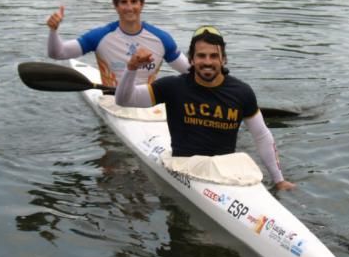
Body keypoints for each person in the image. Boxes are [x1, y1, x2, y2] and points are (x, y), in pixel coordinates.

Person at [115, 25, 295, 191]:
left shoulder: (242, 92)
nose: (207, 61)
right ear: (191, 59)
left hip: (226, 173)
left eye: (213, 56)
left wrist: (279, 180)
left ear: (223, 59)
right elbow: (125, 100)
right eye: (201, 56)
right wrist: (132, 68)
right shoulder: (172, 87)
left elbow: (262, 136)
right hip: (184, 169)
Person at [46, 0, 190, 86]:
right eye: (123, 2)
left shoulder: (162, 39)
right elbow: (58, 54)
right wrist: (53, 30)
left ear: (142, 4)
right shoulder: (99, 37)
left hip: (147, 102)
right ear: (115, 6)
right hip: (112, 101)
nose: (129, 7)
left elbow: (190, 72)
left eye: (134, 1)